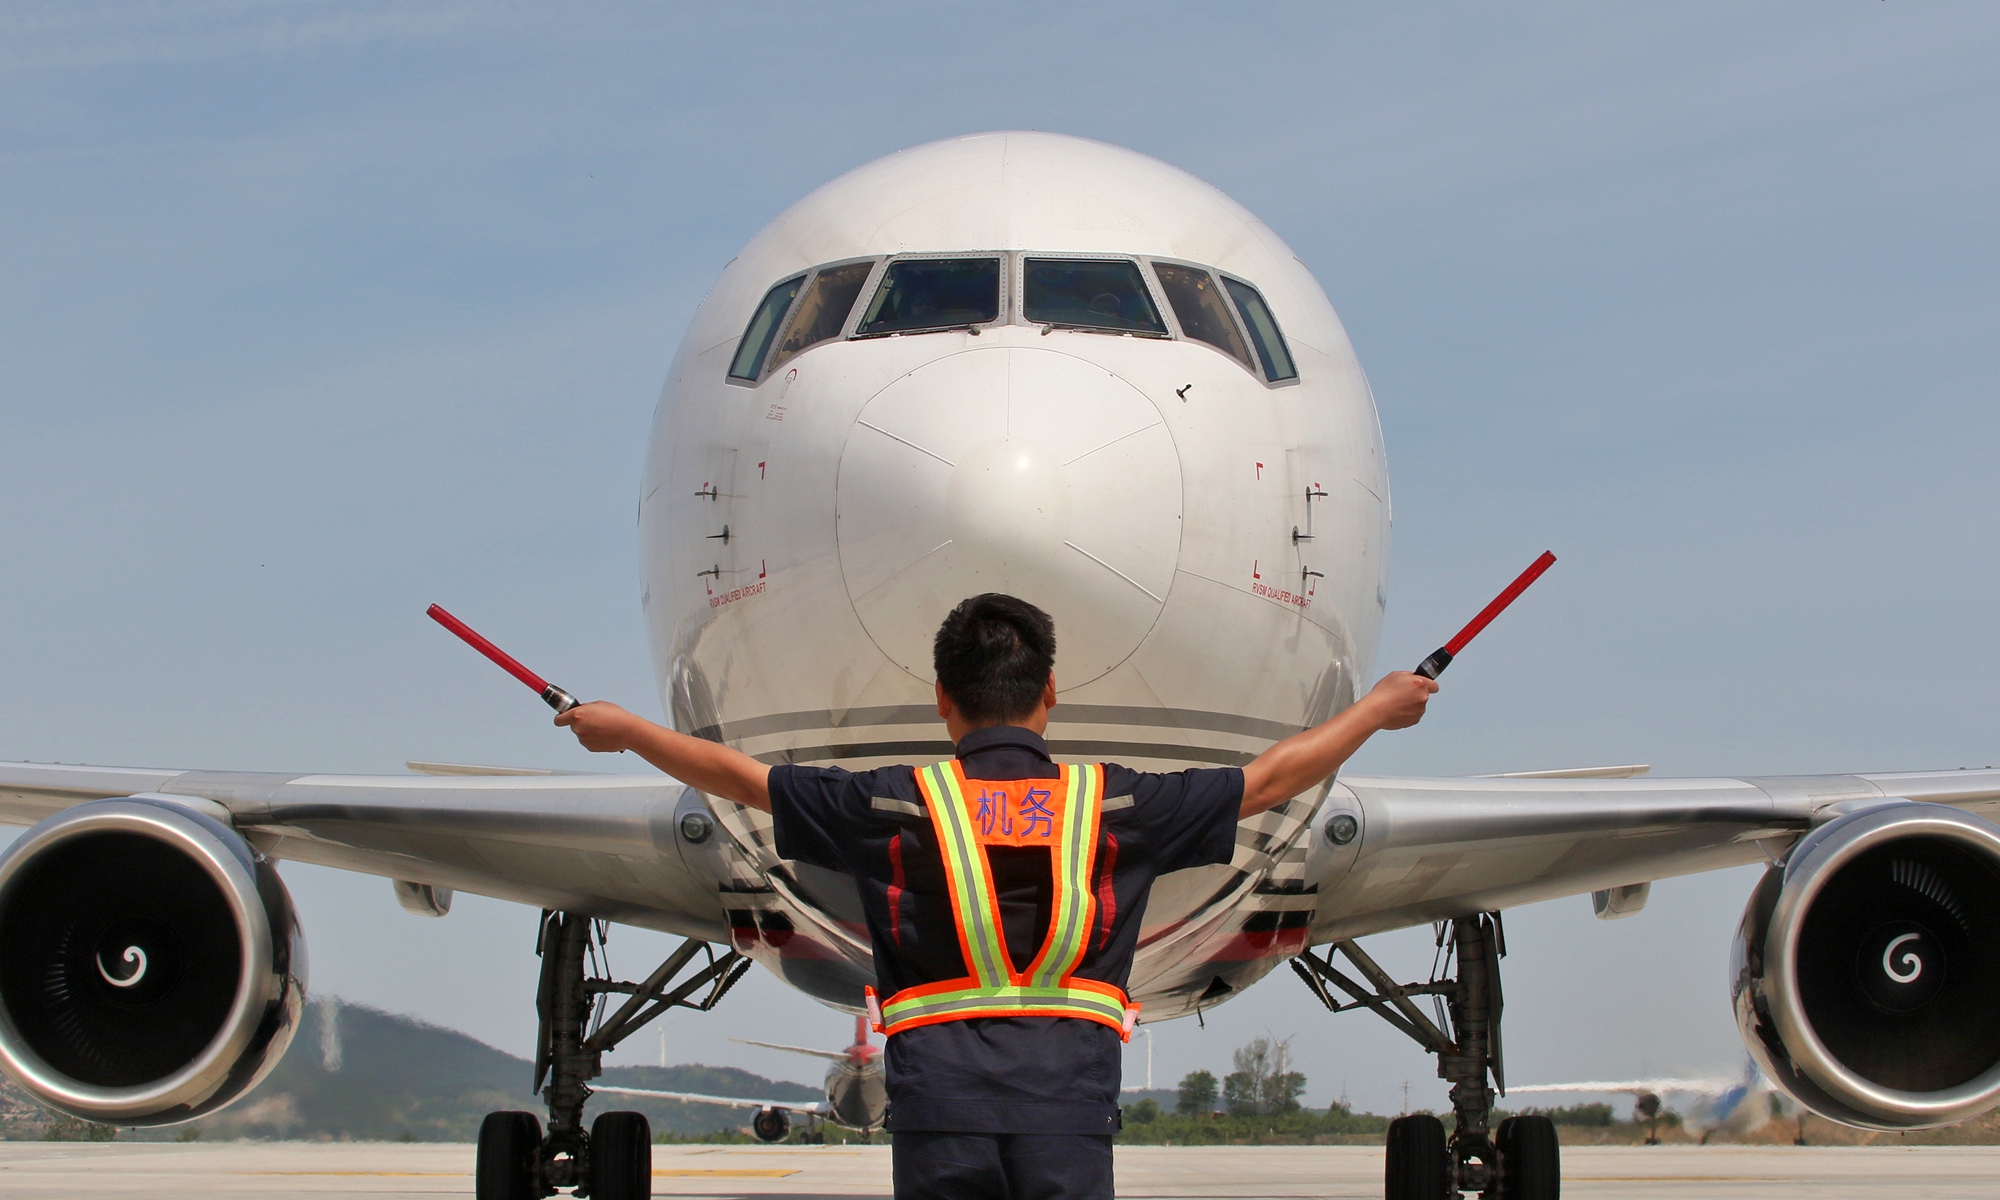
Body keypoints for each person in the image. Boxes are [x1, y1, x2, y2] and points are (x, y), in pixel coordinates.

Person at [558, 593, 1436, 1200]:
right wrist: (1373, 710)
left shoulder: (895, 805)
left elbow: (744, 781)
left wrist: (628, 730)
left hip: (940, 1110)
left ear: (943, 699)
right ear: (1049, 694)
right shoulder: (1111, 806)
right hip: (1068, 1109)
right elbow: (1266, 781)